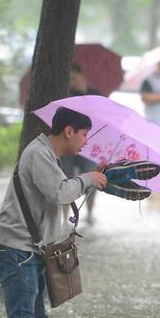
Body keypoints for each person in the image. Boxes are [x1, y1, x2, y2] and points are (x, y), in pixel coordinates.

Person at [0, 108, 107, 318]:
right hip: (15, 252)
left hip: (30, 252)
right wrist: (87, 178)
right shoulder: (39, 153)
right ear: (68, 131)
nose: (86, 141)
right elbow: (59, 193)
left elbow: (57, 200)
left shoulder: (49, 156)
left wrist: (91, 180)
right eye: (84, 134)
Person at [61, 63, 100, 222]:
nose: (72, 81)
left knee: (91, 178)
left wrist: (83, 91)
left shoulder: (94, 94)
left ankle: (89, 214)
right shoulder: (64, 94)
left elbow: (100, 116)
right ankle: (64, 217)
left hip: (89, 144)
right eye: (69, 79)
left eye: (74, 78)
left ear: (82, 77)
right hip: (67, 142)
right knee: (65, 178)